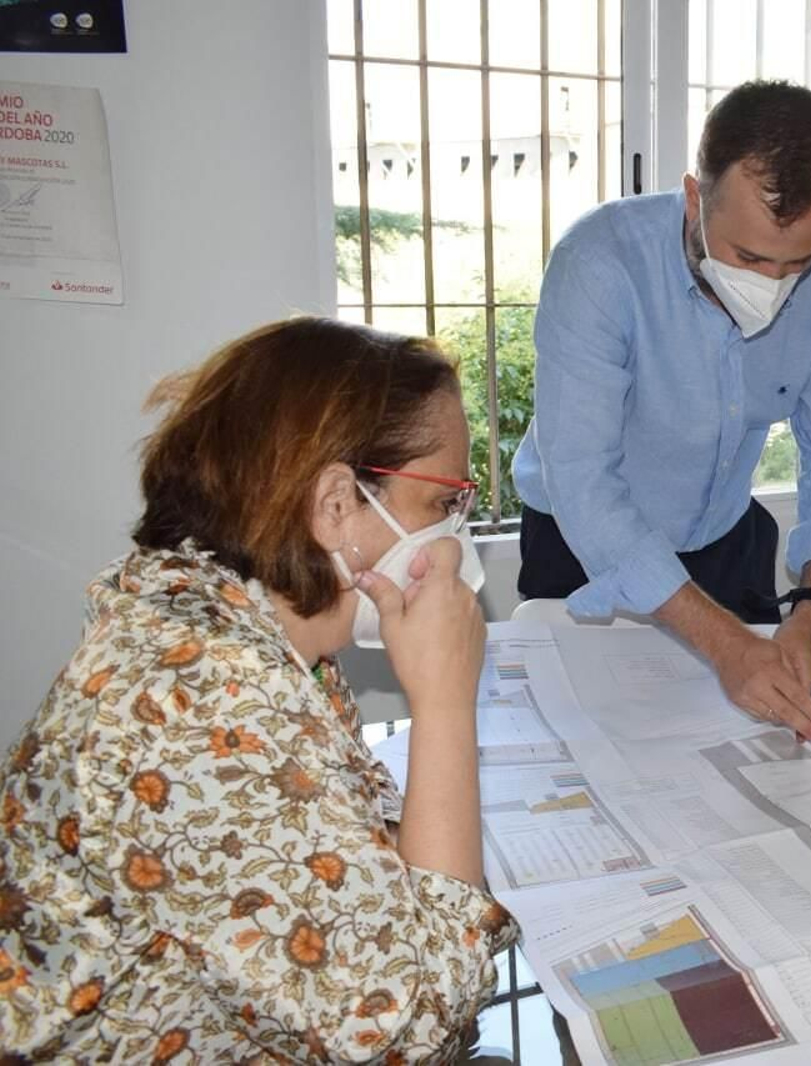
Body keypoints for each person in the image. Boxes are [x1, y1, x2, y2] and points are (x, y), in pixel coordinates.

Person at [0, 318, 517, 1061]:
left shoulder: (246, 622)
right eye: (443, 501)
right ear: (337, 503)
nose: (454, 532)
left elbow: (367, 865)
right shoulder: (203, 699)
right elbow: (419, 1032)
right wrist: (443, 704)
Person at [511, 80, 811, 749]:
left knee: (735, 757)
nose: (772, 285)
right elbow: (585, 483)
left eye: (796, 261)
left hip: (721, 537)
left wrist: (809, 608)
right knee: (588, 748)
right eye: (747, 257)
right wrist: (724, 645)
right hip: (580, 547)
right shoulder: (600, 265)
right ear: (694, 199)